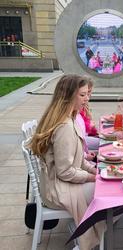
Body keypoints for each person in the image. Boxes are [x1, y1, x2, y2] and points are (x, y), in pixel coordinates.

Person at [30, 74, 104, 250]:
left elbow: (77, 159)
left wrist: (95, 171)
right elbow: (66, 172)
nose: (87, 99)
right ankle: (86, 234)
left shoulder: (67, 119)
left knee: (108, 188)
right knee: (112, 196)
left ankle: (88, 229)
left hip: (58, 183)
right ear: (69, 95)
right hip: (58, 189)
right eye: (82, 95)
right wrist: (92, 178)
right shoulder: (65, 127)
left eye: (87, 94)